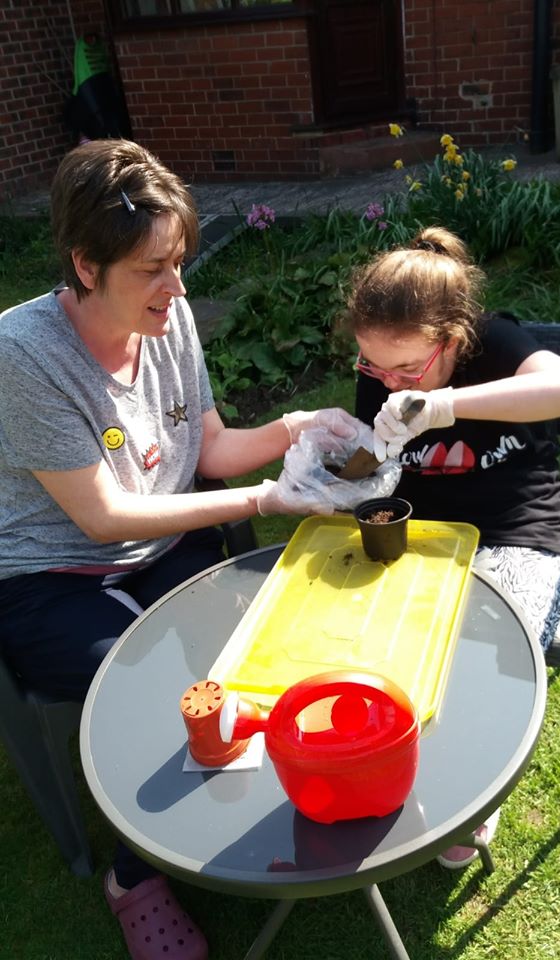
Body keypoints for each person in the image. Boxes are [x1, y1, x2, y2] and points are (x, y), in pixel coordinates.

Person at [0, 139, 363, 960]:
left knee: (258, 647)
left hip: (163, 543)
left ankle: (254, 789)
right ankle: (134, 877)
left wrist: (294, 427)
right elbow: (103, 518)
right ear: (86, 265)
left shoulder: (168, 318)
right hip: (51, 578)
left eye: (180, 261)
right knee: (155, 698)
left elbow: (211, 446)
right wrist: (266, 500)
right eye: (154, 269)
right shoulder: (22, 354)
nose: (179, 286)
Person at [345, 226, 560, 869]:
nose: (388, 383)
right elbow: (376, 457)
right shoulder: (383, 368)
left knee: (486, 653)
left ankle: (472, 783)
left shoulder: (495, 341)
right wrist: (333, 463)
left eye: (406, 370)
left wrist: (443, 404)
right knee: (356, 634)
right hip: (421, 530)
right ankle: (391, 758)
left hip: (517, 526)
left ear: (453, 341)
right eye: (373, 366)